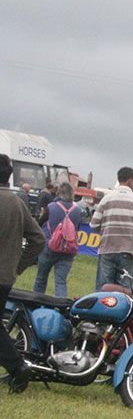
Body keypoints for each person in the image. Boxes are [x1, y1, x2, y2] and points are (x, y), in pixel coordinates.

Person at [0, 154, 45, 393]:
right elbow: (38, 239)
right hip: (5, 276)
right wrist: (16, 266)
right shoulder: (17, 203)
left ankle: (18, 366)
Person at [90, 166, 133, 290]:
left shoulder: (106, 200)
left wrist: (106, 230)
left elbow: (94, 224)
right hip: (128, 251)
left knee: (104, 287)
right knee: (125, 289)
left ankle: (102, 309)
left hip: (107, 249)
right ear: (130, 181)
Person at [33, 183, 83, 298]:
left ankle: (35, 303)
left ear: (58, 192)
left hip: (49, 246)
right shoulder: (78, 210)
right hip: (68, 250)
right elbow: (77, 229)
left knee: (41, 279)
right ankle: (59, 307)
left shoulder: (50, 207)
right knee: (61, 282)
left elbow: (39, 224)